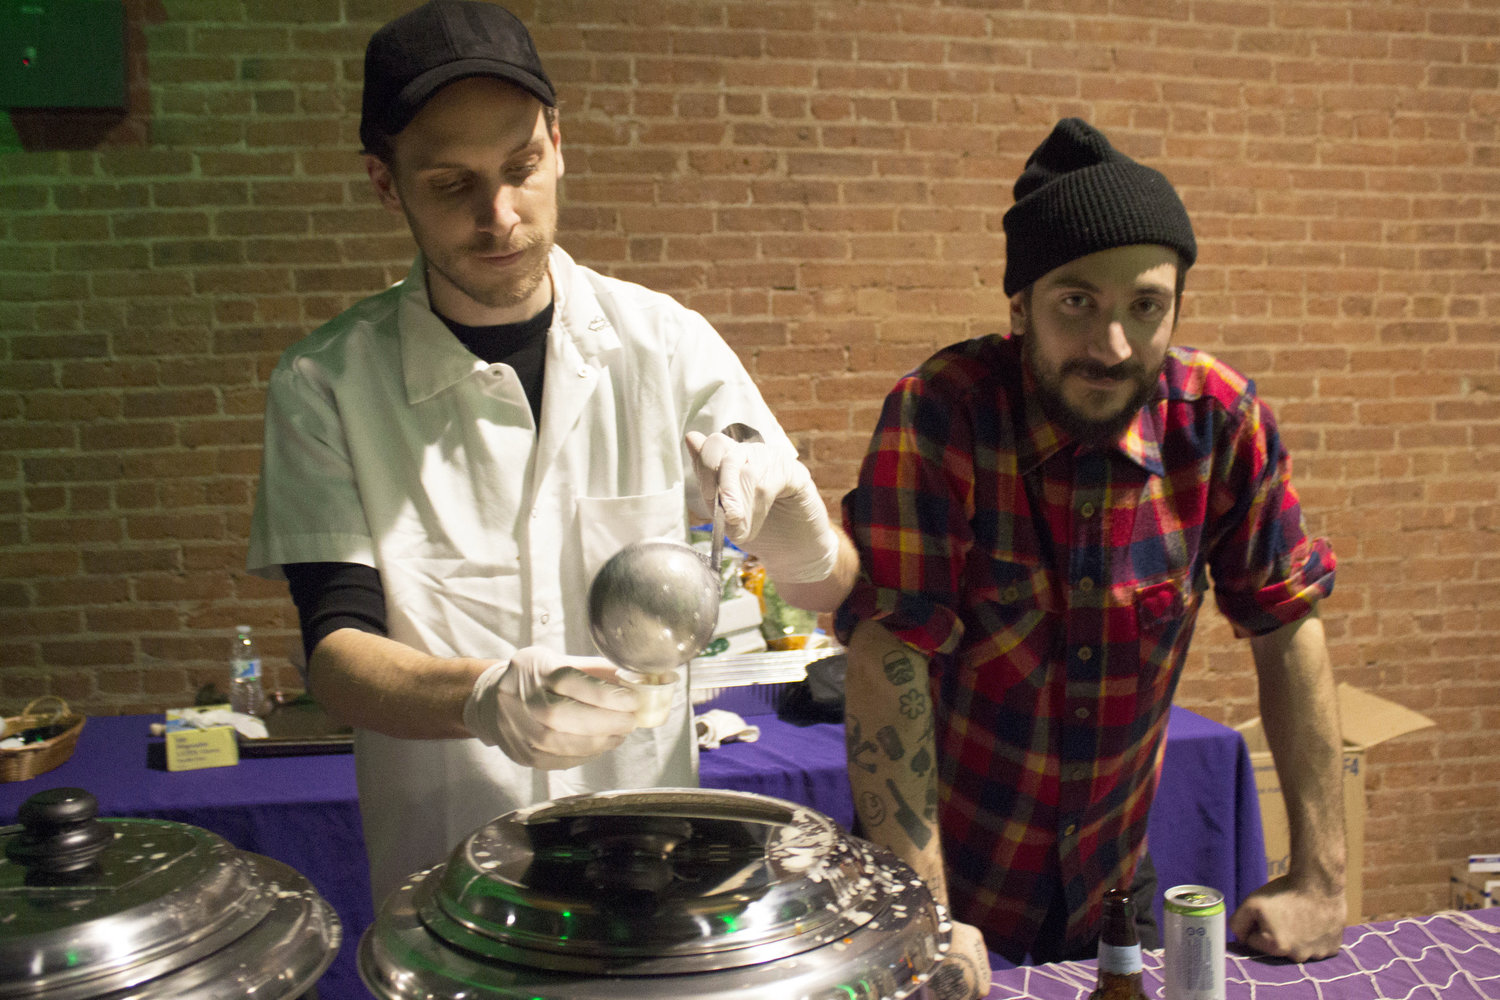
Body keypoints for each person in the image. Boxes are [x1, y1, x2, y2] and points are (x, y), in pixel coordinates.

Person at [246, 0, 856, 902]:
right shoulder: (327, 384)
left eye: (521, 169)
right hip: (452, 883)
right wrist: (479, 696)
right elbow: (338, 656)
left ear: (559, 144)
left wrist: (801, 532)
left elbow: (831, 593)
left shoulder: (668, 346)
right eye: (451, 185)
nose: (500, 216)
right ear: (387, 183)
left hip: (653, 874)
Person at [835, 118, 1347, 997]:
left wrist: (1321, 878)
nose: (1112, 347)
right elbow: (890, 651)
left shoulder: (1220, 426)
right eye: (1077, 302)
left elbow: (1287, 622)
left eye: (1143, 306)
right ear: (1018, 305)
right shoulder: (941, 416)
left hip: (1116, 891)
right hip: (942, 883)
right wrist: (923, 917)